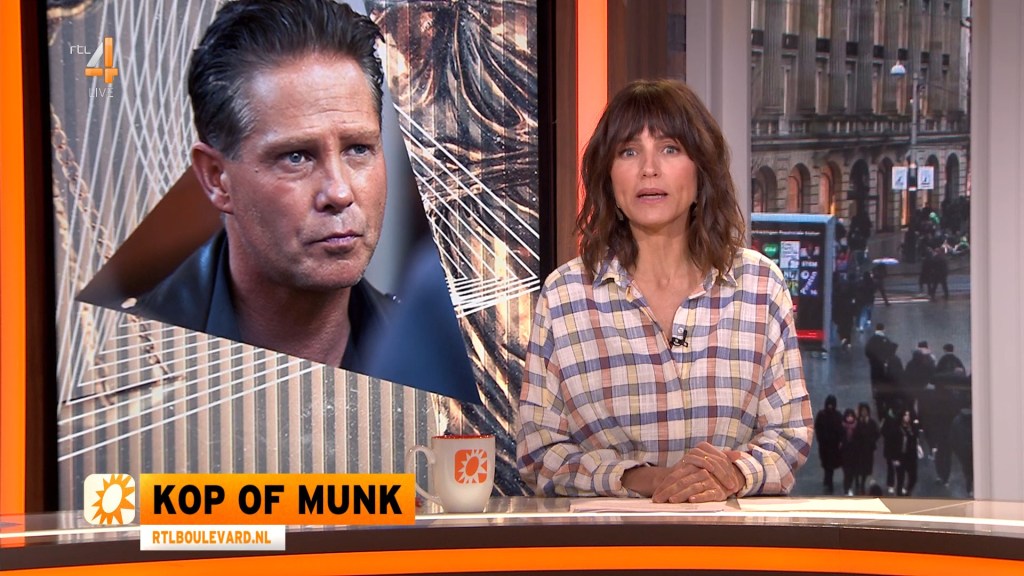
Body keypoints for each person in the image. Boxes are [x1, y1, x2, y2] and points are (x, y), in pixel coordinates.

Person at [515, 79, 812, 502]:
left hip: (729, 539)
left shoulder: (760, 286)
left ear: (701, 169)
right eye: (628, 151)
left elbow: (789, 435)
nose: (649, 169)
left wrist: (732, 475)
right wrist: (645, 478)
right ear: (608, 177)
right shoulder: (566, 295)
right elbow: (539, 452)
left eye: (670, 149)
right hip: (610, 541)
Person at [129, 0, 393, 373]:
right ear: (217, 178)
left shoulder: (441, 357)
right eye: (296, 157)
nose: (339, 192)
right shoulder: (129, 365)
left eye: (358, 149)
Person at [815, 395, 844, 494]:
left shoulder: (838, 416)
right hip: (824, 445)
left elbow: (841, 430)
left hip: (833, 446)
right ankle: (827, 480)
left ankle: (829, 482)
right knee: (826, 464)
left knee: (830, 465)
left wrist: (840, 441)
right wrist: (820, 439)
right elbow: (818, 428)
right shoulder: (822, 415)